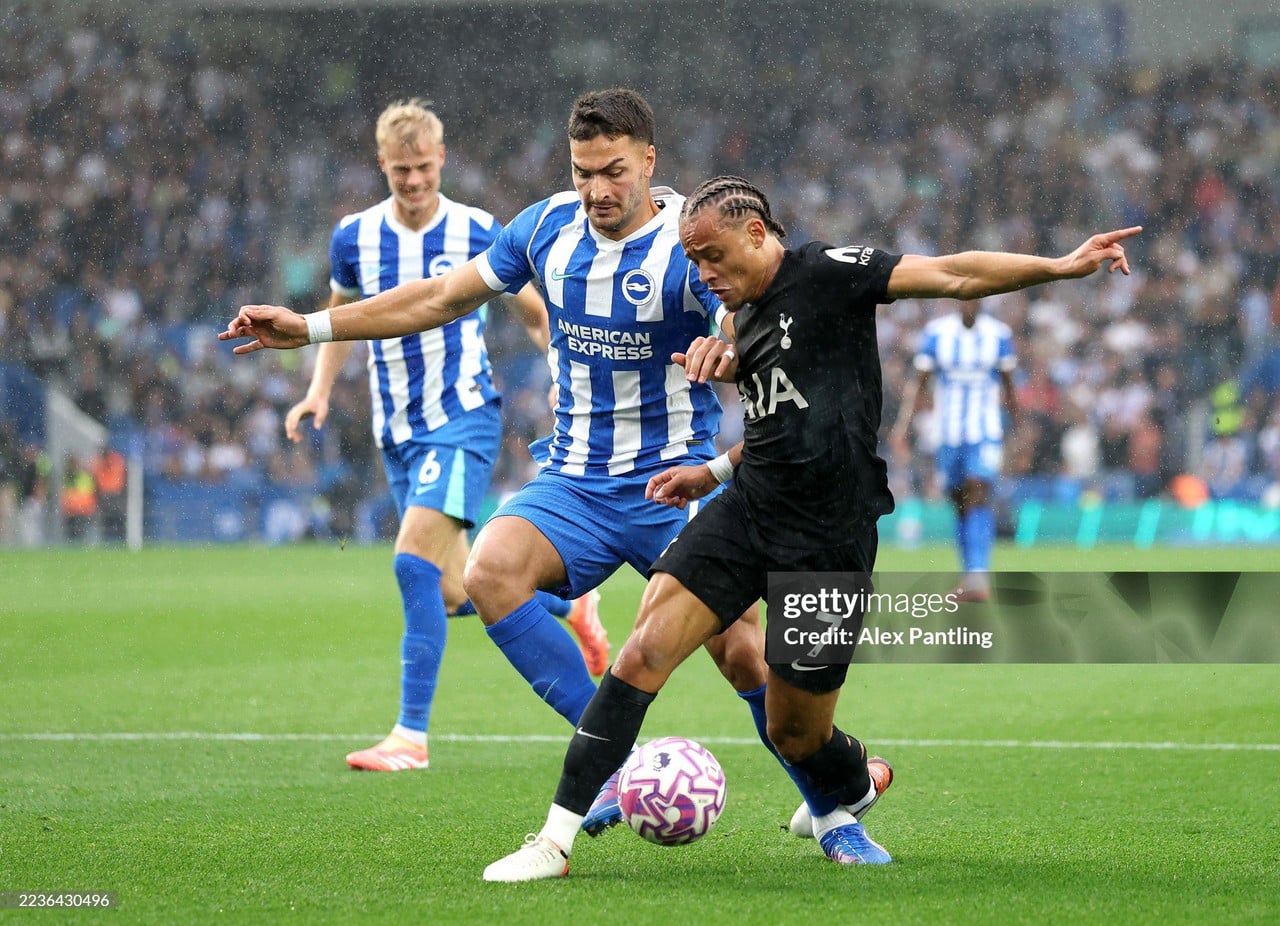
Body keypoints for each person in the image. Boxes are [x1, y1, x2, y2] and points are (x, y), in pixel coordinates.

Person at [477, 176, 1141, 881]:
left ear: (756, 233)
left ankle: (852, 781)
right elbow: (781, 425)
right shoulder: (741, 314)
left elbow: (953, 273)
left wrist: (1061, 266)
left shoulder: (829, 273)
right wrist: (712, 473)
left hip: (830, 536)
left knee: (797, 733)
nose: (705, 274)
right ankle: (553, 842)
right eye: (694, 260)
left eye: (712, 256)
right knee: (642, 652)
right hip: (746, 511)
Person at [220, 91, 837, 827]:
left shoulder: (687, 239)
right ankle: (615, 758)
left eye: (613, 171)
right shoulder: (544, 227)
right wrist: (311, 328)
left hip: (674, 480)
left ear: (648, 161)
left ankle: (833, 807)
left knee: (739, 650)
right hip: (575, 481)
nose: (597, 190)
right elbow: (440, 297)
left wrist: (728, 344)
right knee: (488, 572)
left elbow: (746, 315)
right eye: (583, 172)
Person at [284, 98, 608, 773]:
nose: (413, 181)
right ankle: (571, 607)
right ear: (382, 164)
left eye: (424, 168)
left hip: (462, 418)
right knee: (456, 590)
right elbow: (343, 316)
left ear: (442, 161)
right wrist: (318, 390)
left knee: (412, 564)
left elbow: (534, 312)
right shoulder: (354, 237)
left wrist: (562, 371)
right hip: (397, 430)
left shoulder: (477, 229)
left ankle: (410, 736)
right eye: (400, 170)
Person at [890, 301, 1019, 602]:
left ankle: (978, 576)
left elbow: (1009, 386)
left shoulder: (998, 334)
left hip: (984, 431)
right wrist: (903, 426)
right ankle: (970, 575)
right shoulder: (937, 333)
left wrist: (1019, 428)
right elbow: (919, 384)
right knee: (959, 501)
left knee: (978, 492)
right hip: (948, 433)